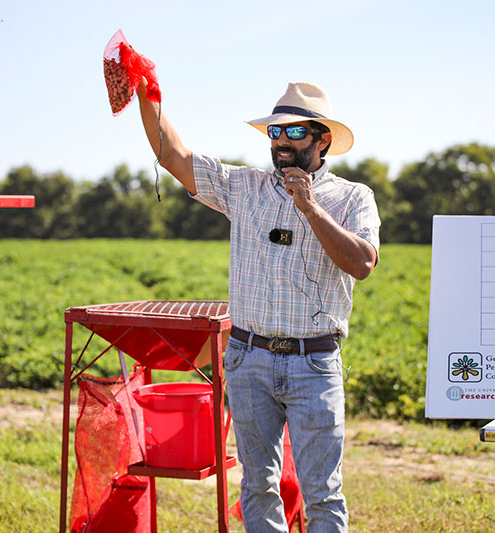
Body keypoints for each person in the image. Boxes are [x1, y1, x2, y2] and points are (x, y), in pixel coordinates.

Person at [137, 80, 380, 532]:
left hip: (315, 364)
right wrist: (144, 90)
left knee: (323, 493)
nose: (282, 143)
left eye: (294, 133)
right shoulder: (242, 187)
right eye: (275, 133)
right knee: (257, 485)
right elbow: (171, 155)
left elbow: (363, 263)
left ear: (322, 138)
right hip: (249, 359)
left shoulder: (352, 197)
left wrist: (309, 207)